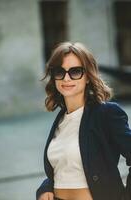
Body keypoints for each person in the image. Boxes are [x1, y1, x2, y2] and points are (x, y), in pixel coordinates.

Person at [36, 42, 131, 200]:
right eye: (59, 71)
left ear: (88, 76)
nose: (66, 78)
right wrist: (45, 188)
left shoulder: (106, 114)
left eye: (75, 71)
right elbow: (64, 167)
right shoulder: (60, 119)